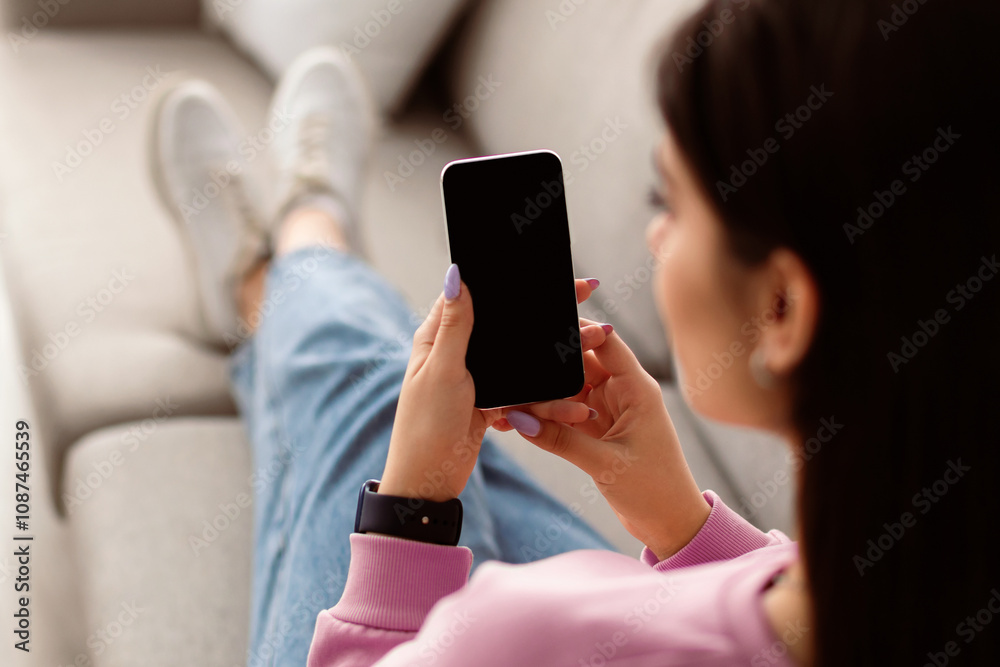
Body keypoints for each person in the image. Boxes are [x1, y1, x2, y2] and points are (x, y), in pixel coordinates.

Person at [151, 0, 1000, 664]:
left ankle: (294, 252)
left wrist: (411, 505)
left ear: (781, 308)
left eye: (667, 201)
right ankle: (287, 272)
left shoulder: (524, 630)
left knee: (377, 397)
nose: (656, 239)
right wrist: (680, 521)